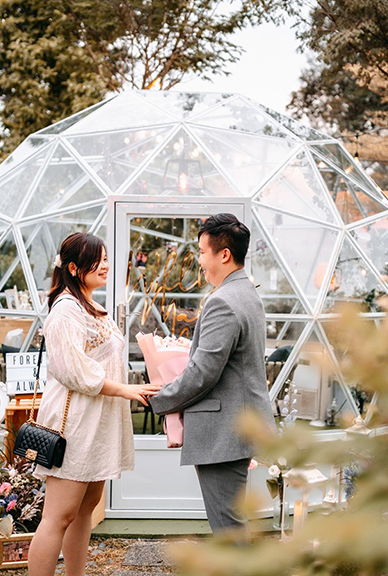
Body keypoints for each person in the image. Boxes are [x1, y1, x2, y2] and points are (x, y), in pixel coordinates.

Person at [28, 232, 161, 576]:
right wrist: (125, 391)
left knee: (85, 510)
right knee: (58, 516)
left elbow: (105, 362)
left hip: (97, 424)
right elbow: (73, 370)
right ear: (73, 267)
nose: (105, 265)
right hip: (74, 425)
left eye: (105, 258)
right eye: (97, 259)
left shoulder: (93, 306)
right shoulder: (67, 311)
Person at [150, 213, 277, 538]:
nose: (200, 261)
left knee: (228, 530)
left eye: (203, 252)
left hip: (225, 433)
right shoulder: (246, 294)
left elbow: (204, 372)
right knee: (231, 526)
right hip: (236, 428)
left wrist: (159, 399)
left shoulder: (223, 301)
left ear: (224, 254)